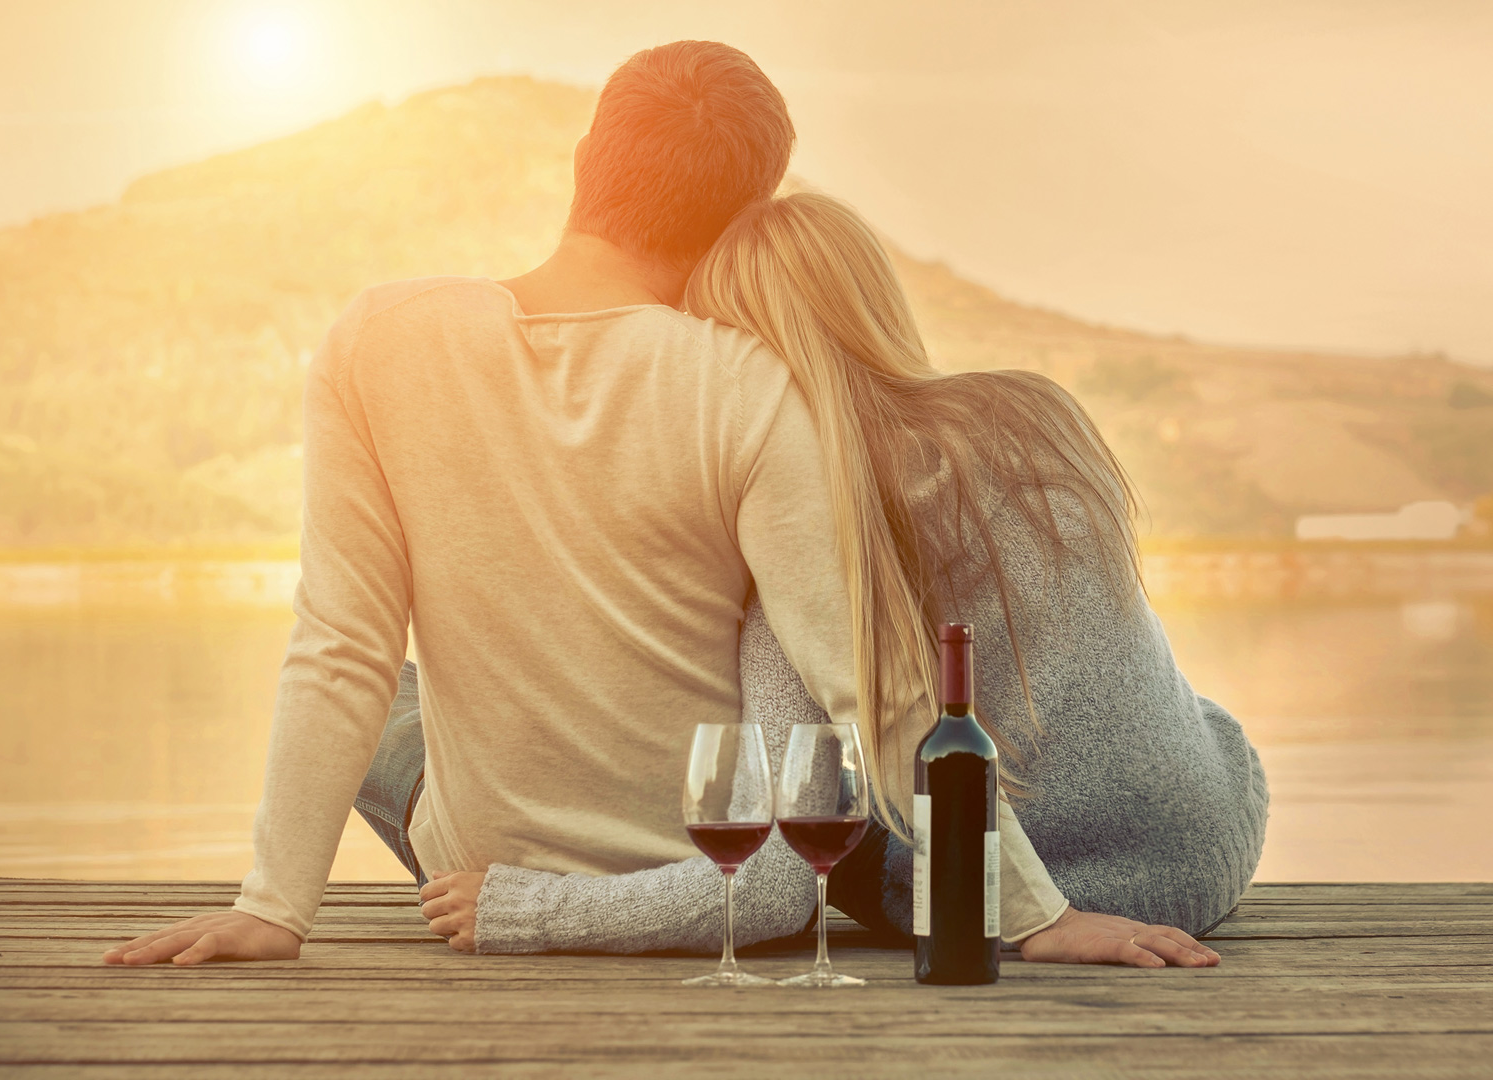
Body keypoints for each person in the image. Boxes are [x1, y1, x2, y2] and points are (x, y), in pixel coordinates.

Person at [103, 41, 1210, 970]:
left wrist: (273, 905)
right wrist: (1038, 914)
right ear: (747, 211)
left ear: (585, 159)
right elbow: (864, 684)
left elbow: (338, 645)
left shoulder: (376, 340)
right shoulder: (752, 388)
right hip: (708, 858)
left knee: (391, 693)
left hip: (482, 869)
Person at [428, 194, 1267, 963]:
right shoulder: (1043, 415)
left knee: (408, 710)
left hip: (973, 903)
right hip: (1203, 846)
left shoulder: (800, 533)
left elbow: (768, 892)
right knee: (1183, 704)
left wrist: (524, 909)